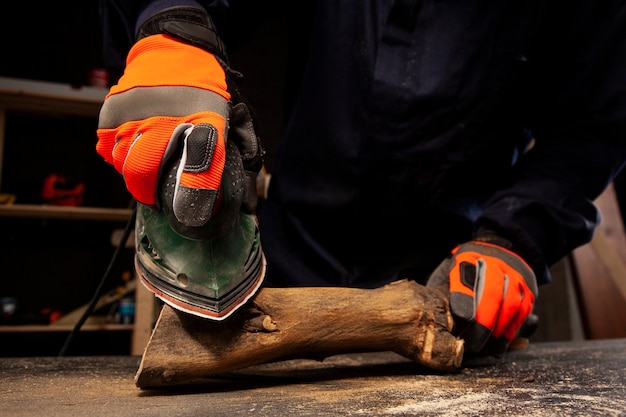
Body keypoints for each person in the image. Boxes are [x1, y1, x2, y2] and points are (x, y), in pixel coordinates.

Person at [96, 1, 626, 357]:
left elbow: (594, 126)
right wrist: (172, 27)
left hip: (452, 282)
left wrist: (515, 236)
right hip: (284, 261)